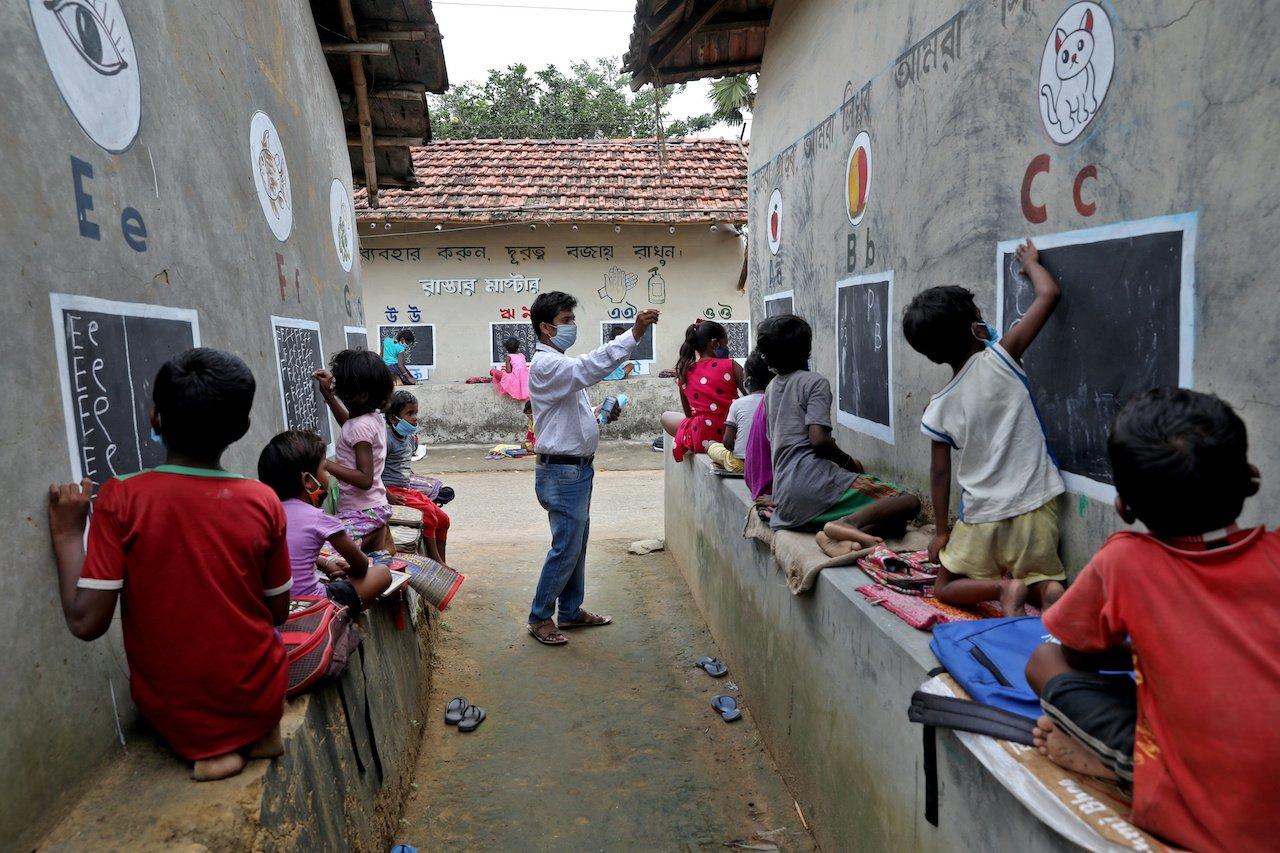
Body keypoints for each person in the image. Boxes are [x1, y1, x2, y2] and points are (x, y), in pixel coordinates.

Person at [1025, 388, 1279, 853]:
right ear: (1250, 479)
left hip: (1218, 818)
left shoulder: (1125, 561)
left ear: (1124, 507)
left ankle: (1124, 766)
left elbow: (1078, 654)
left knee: (1043, 660)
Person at [47, 348, 289, 782]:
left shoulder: (124, 496)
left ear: (155, 417)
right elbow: (278, 612)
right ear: (243, 427)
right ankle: (259, 731)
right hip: (262, 691)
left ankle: (213, 751)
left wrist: (67, 534)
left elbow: (87, 622)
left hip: (181, 709)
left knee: (197, 714)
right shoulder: (263, 500)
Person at [904, 239, 1066, 616]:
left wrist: (942, 532)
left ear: (930, 354)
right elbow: (1050, 293)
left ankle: (1002, 587)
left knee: (945, 587)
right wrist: (1031, 264)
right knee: (1043, 578)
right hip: (1035, 504)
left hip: (982, 516)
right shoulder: (1004, 357)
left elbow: (940, 472)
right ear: (977, 325)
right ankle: (1045, 592)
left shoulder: (938, 408)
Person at [525, 290, 660, 646]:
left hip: (575, 469)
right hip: (563, 472)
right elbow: (590, 366)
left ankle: (569, 611)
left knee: (575, 544)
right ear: (546, 328)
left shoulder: (558, 364)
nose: (572, 326)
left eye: (572, 319)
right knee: (566, 546)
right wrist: (632, 335)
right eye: (566, 321)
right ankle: (540, 616)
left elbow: (568, 415)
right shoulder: (548, 364)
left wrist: (600, 414)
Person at [757, 314, 920, 541]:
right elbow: (819, 441)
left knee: (895, 525)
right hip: (814, 487)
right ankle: (846, 524)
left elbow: (778, 442)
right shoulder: (813, 382)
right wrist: (848, 463)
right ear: (806, 348)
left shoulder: (771, 388)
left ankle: (837, 532)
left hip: (787, 501)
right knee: (909, 502)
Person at [258, 430, 392, 610]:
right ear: (308, 480)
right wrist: (347, 571)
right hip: (313, 605)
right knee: (383, 573)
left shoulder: (264, 515)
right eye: (325, 469)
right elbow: (360, 566)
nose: (328, 475)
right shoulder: (320, 519)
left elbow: (288, 554)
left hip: (272, 605)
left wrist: (326, 563)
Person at [314, 349, 395, 554]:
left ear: (361, 395)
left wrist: (324, 463)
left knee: (323, 551)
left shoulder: (360, 426)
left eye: (340, 387)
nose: (337, 389)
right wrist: (330, 397)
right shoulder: (371, 418)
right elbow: (349, 428)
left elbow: (364, 479)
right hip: (372, 507)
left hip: (363, 512)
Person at [660, 320, 745, 462]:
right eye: (725, 344)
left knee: (666, 416)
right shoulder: (731, 365)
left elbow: (688, 414)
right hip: (732, 434)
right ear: (714, 344)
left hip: (700, 436)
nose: (727, 348)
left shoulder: (684, 371)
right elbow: (754, 397)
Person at [382, 390, 451, 563]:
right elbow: (374, 473)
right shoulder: (386, 440)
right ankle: (436, 563)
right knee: (428, 513)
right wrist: (388, 495)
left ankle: (442, 561)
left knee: (443, 519)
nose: (415, 418)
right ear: (393, 418)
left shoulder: (410, 438)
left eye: (416, 413)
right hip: (391, 490)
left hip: (406, 488)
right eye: (409, 413)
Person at [707, 350, 772, 474]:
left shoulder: (738, 404)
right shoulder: (777, 402)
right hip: (768, 465)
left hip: (741, 464)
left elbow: (727, 442)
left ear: (747, 380)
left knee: (711, 445)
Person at [489, 337, 530, 401]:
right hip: (525, 380)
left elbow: (508, 371)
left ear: (506, 349)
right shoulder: (522, 355)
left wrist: (505, 365)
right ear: (518, 347)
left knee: (492, 371)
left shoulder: (509, 357)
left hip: (514, 380)